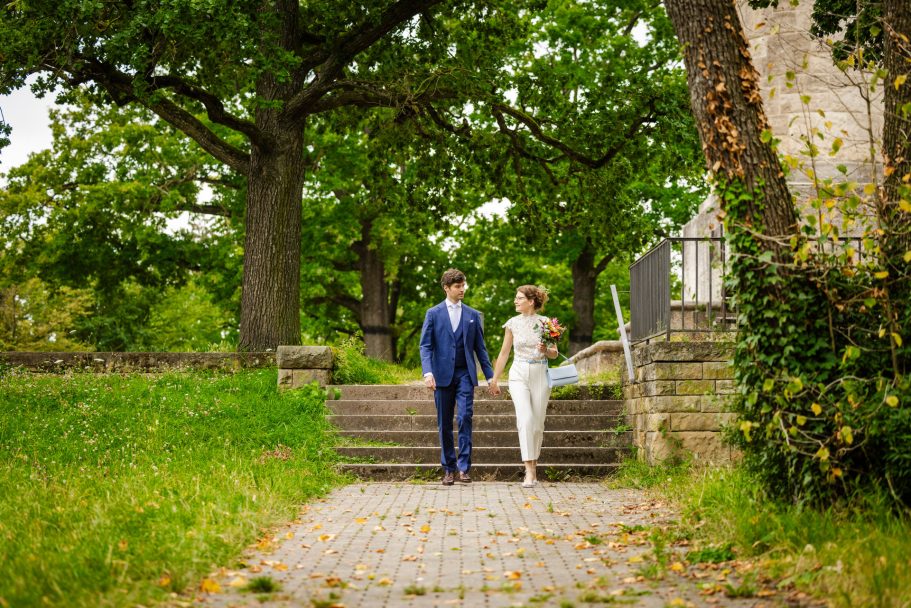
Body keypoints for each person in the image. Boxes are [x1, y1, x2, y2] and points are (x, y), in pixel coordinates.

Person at [419, 269, 495, 486]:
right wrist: (428, 372)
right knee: (444, 423)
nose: (462, 289)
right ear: (446, 288)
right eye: (457, 286)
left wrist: (490, 377)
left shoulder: (472, 315)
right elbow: (425, 345)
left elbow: (481, 349)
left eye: (463, 285)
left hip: (465, 374)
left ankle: (464, 468)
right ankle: (448, 469)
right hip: (441, 375)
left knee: (464, 418)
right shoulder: (433, 313)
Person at [489, 285, 558, 488]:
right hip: (518, 373)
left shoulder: (546, 323)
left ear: (531, 301)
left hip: (540, 373)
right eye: (515, 298)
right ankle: (529, 470)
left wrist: (546, 350)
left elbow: (554, 353)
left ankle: (533, 465)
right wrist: (495, 378)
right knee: (525, 419)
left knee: (537, 423)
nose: (515, 301)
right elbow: (504, 353)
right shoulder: (512, 324)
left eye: (519, 298)